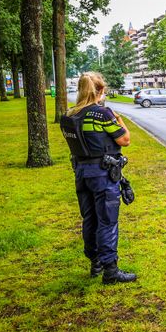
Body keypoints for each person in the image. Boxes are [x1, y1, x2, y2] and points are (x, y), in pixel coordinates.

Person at [60, 72, 137, 284]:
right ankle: (110, 270)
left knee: (90, 219)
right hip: (103, 174)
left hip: (81, 173)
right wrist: (119, 119)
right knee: (108, 221)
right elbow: (124, 139)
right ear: (100, 91)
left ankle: (95, 263)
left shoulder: (70, 115)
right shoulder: (103, 114)